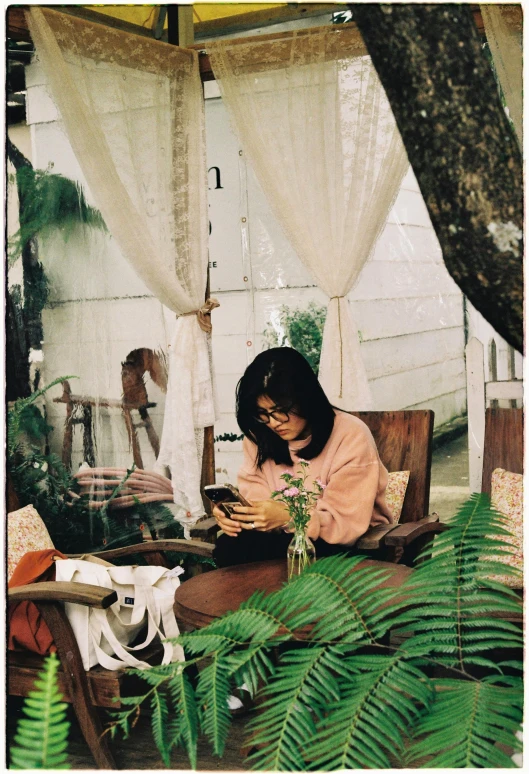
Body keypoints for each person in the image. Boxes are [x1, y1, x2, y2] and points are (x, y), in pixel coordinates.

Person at [213, 347, 393, 568]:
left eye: (280, 410)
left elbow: (345, 525)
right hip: (282, 540)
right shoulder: (259, 437)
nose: (274, 422)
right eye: (262, 413)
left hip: (351, 544)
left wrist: (289, 516)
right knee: (229, 546)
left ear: (306, 398)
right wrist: (237, 516)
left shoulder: (350, 435)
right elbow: (257, 501)